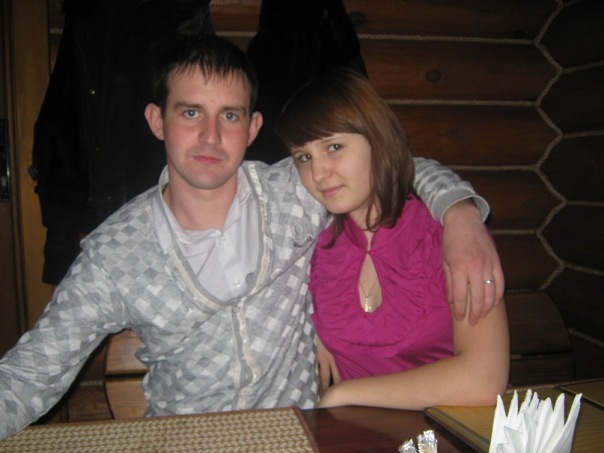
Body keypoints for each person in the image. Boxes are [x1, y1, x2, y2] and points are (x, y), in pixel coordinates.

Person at [0, 34, 500, 439]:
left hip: (297, 437)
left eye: (230, 115)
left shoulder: (299, 191)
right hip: (183, 441)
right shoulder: (116, 253)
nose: (210, 136)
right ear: (157, 121)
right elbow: (31, 372)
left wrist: (459, 215)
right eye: (190, 112)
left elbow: (391, 165)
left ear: (253, 127)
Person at [275, 68, 509, 410]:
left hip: (447, 429)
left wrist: (344, 394)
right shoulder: (317, 246)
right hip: (358, 432)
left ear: (378, 141)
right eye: (304, 157)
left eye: (334, 147)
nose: (318, 173)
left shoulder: (450, 237)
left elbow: (484, 379)